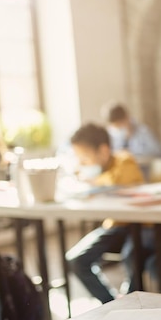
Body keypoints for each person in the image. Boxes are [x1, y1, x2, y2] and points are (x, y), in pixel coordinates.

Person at [65, 123, 145, 303]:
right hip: (115, 226)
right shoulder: (98, 173)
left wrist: (92, 180)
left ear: (103, 150)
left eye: (85, 158)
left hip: (140, 226)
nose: (82, 164)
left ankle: (131, 301)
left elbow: (119, 181)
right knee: (76, 260)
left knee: (132, 255)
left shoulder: (125, 160)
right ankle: (111, 303)